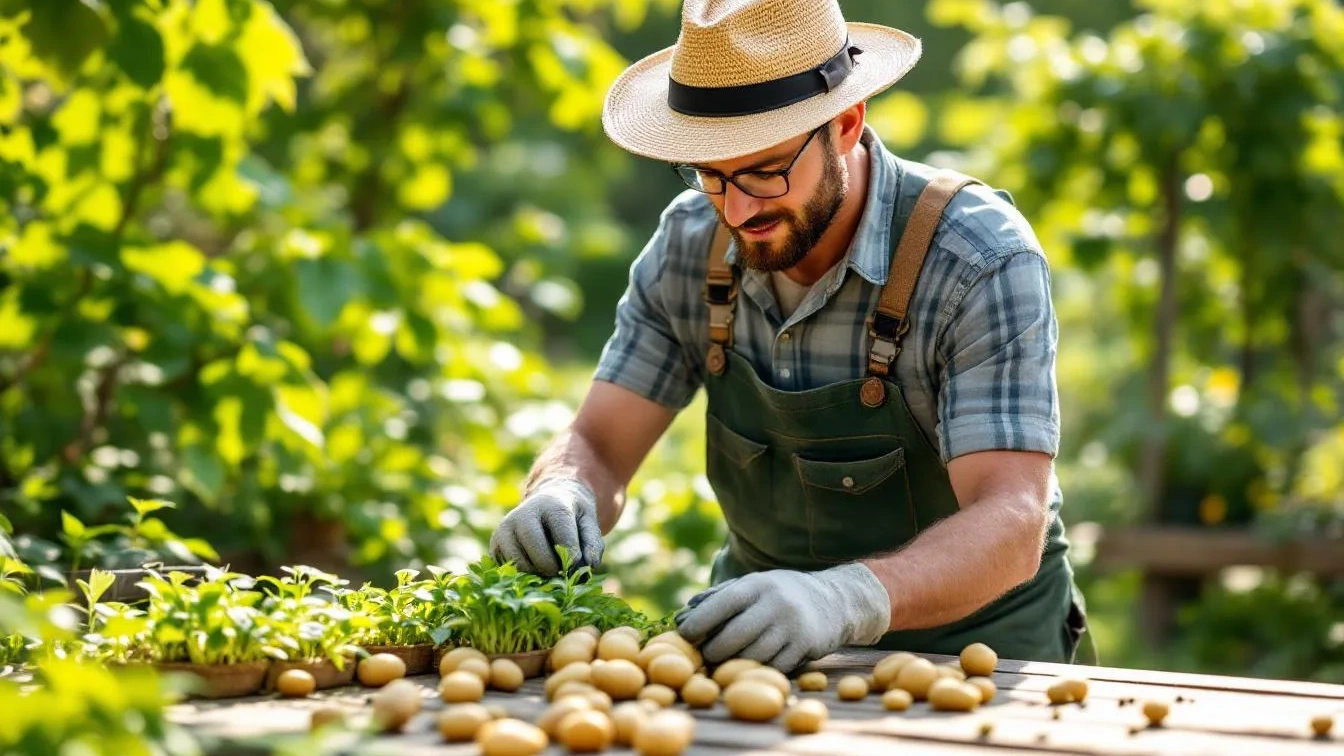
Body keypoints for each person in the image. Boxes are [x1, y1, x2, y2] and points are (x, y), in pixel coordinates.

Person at [488, 0, 1092, 671]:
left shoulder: (976, 258)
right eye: (712, 175)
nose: (739, 209)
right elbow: (601, 443)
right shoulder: (691, 243)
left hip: (976, 659)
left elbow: (1011, 520)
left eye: (765, 170)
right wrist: (562, 487)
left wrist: (844, 600)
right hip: (759, 649)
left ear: (846, 124)